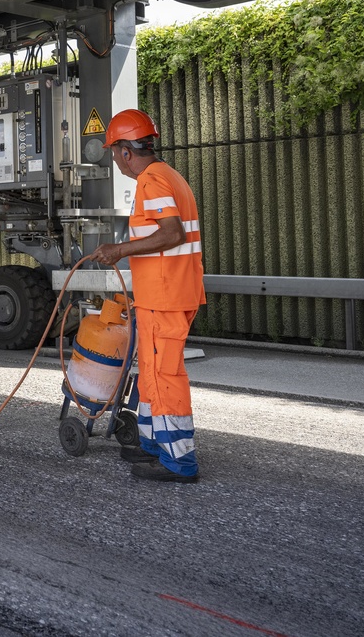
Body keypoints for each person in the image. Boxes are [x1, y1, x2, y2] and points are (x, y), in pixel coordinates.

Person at [84, 109, 204, 483]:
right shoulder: (167, 176)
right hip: (162, 296)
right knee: (151, 374)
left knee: (165, 375)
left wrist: (119, 250)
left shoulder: (152, 182)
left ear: (124, 151)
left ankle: (179, 460)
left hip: (167, 296)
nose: (115, 160)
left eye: (113, 152)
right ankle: (154, 445)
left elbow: (171, 235)